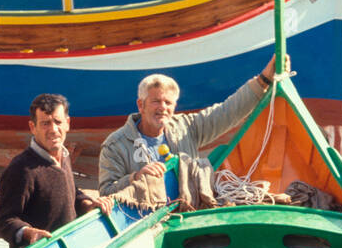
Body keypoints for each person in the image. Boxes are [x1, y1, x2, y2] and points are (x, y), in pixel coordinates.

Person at [97, 56, 286, 196]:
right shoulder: (116, 145)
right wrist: (135, 177)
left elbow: (228, 112)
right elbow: (106, 192)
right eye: (156, 101)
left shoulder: (186, 128)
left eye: (168, 103)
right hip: (146, 221)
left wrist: (264, 80)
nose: (163, 108)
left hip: (189, 213)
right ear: (141, 104)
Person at [0, 93, 105, 248]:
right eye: (45, 123)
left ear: (67, 123)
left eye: (58, 122)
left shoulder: (64, 156)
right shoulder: (21, 169)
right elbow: (5, 220)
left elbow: (70, 193)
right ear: (33, 127)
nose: (53, 130)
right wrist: (29, 233)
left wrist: (88, 204)